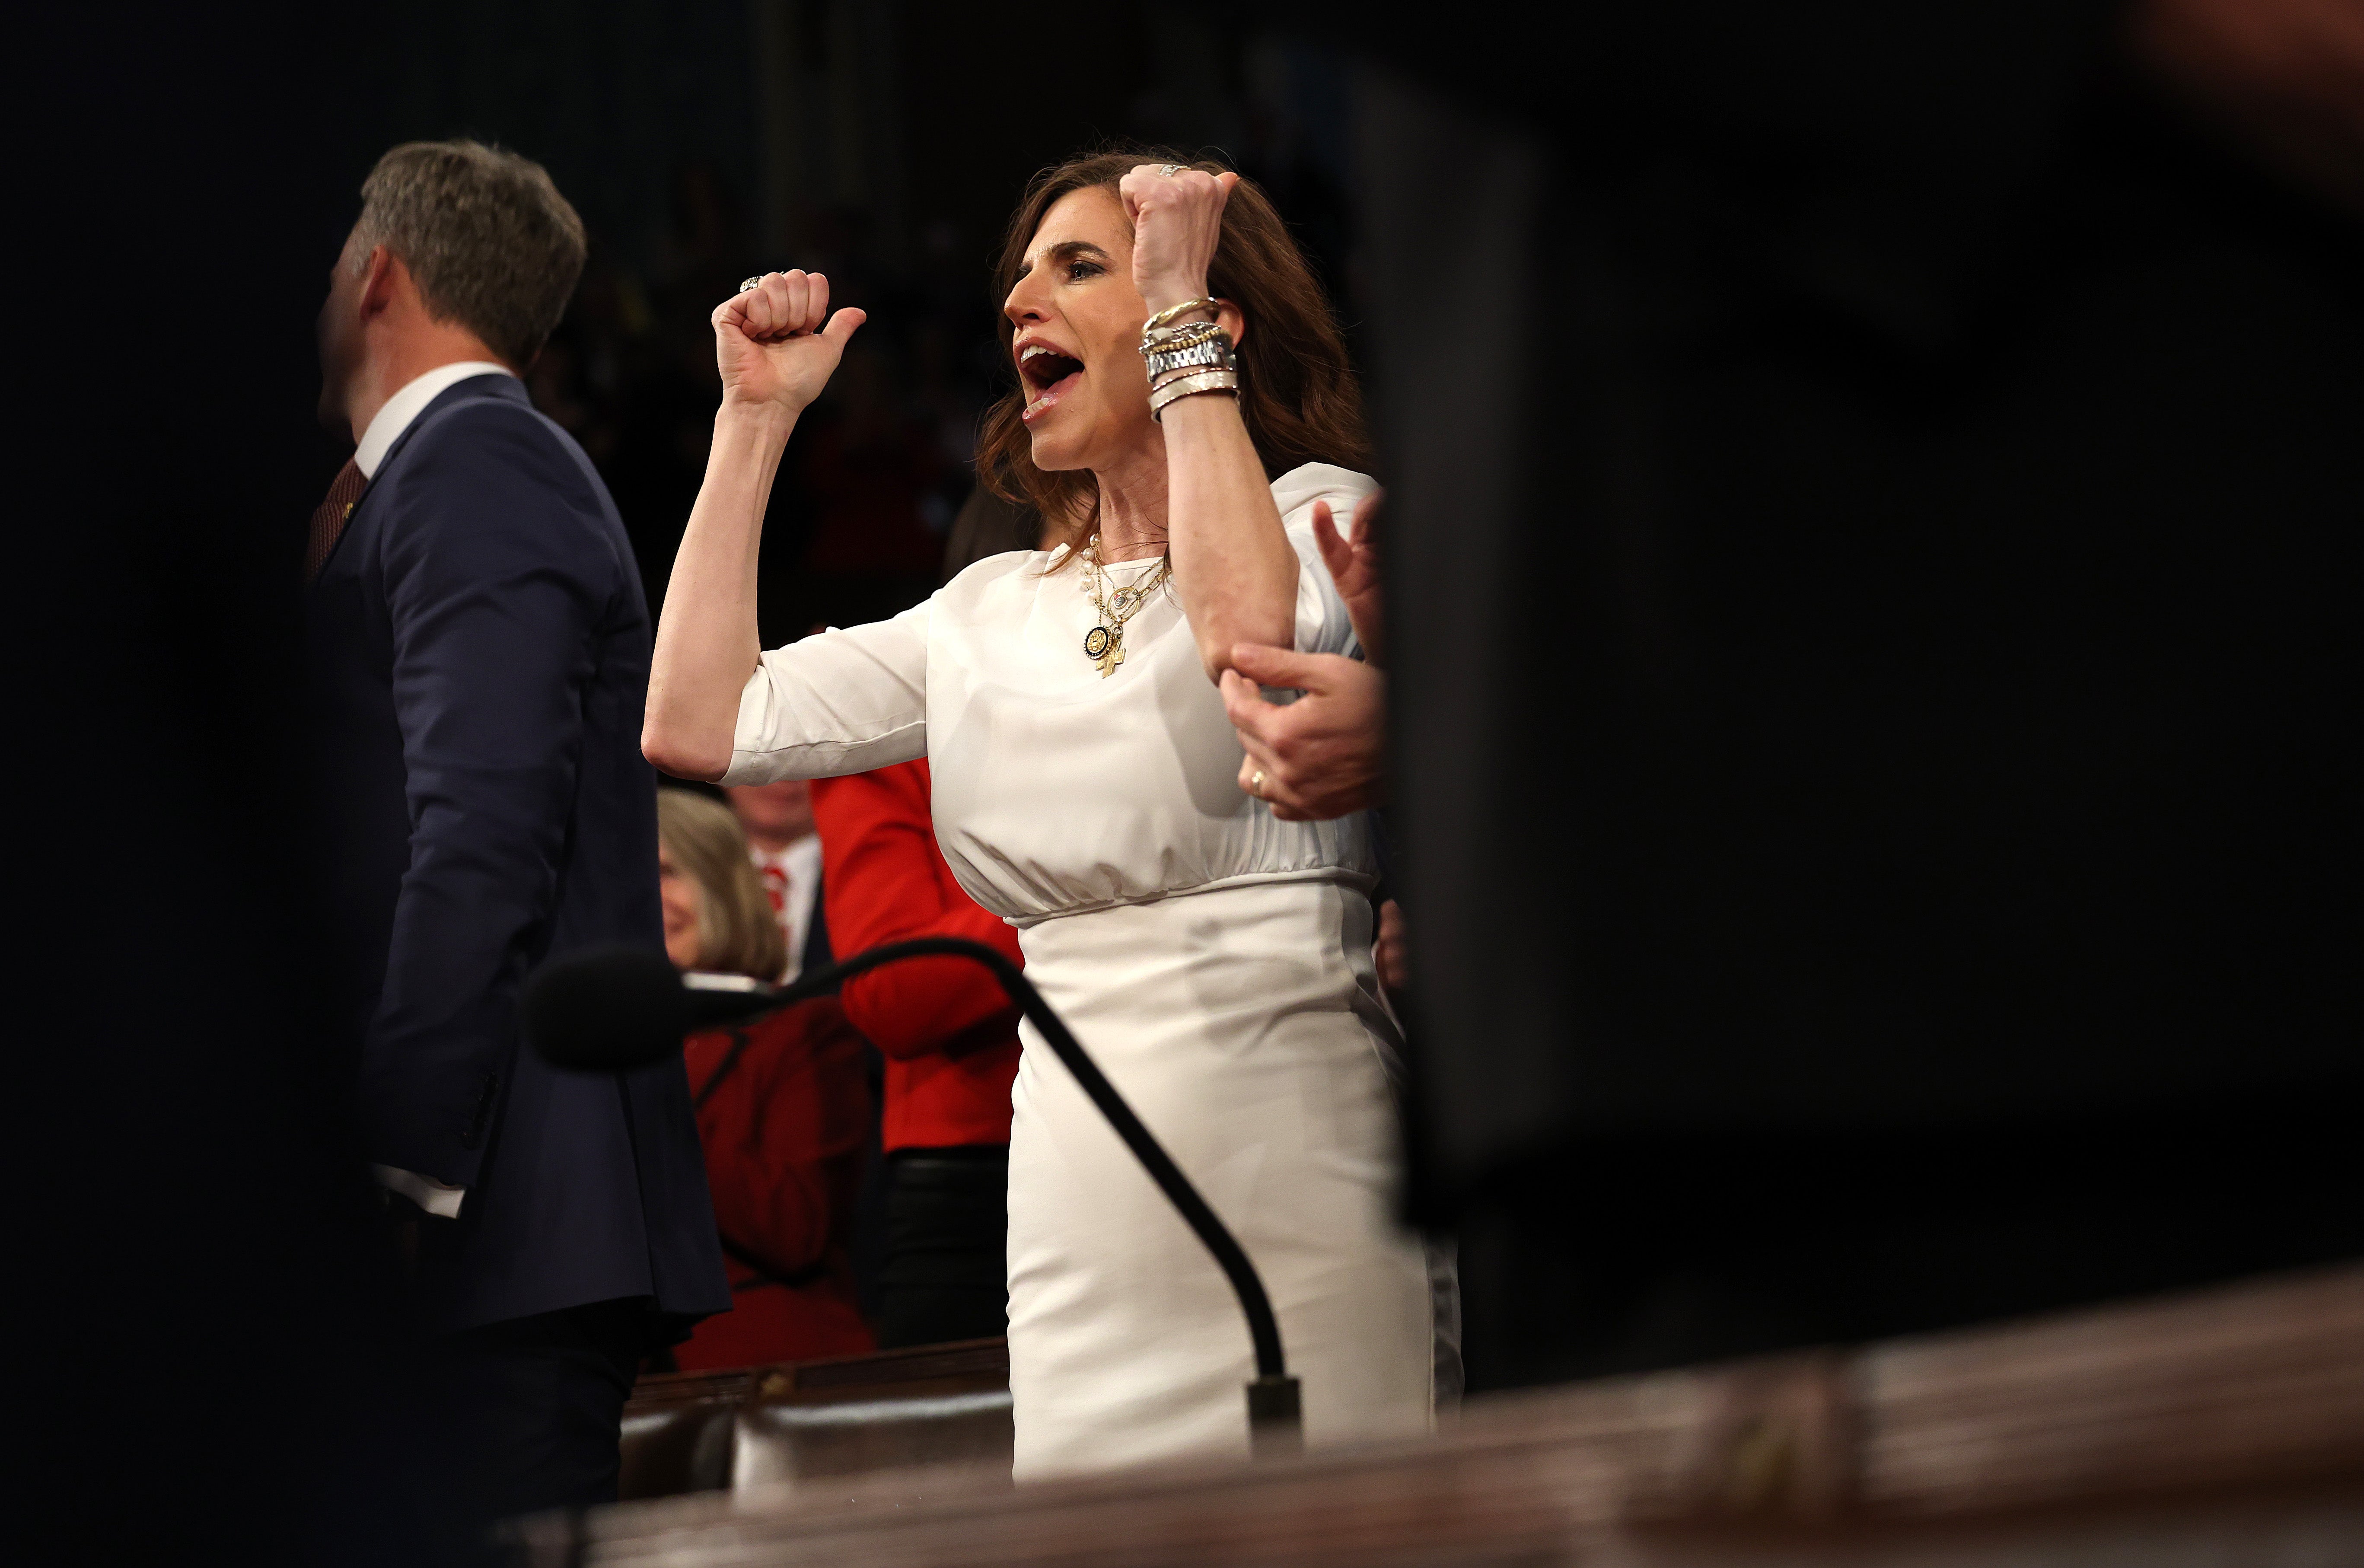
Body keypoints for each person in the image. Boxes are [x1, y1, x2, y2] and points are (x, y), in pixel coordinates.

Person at [642, 150, 1443, 1477]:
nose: (1020, 298)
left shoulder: (1321, 517)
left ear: (1204, 318)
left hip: (1297, 1161)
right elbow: (695, 721)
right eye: (1016, 273)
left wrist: (1181, 296)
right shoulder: (983, 609)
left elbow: (1239, 634)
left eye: (1077, 266)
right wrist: (753, 421)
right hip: (1074, 1201)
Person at [304, 140, 729, 1540]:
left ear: (380, 274)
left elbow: (480, 833)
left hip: (492, 1219)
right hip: (482, 1231)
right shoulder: (445, 473)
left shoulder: (474, 464)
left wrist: (396, 1157)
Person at [657, 789, 874, 1369]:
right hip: (613, 1382)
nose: (645, 899)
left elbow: (794, 1229)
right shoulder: (577, 1046)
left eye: (666, 873)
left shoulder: (802, 1030)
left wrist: (651, 1100)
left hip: (762, 1372)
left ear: (721, 884)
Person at [726, 778, 826, 979]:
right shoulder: (669, 865)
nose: (783, 778)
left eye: (804, 757)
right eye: (762, 751)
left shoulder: (874, 875)